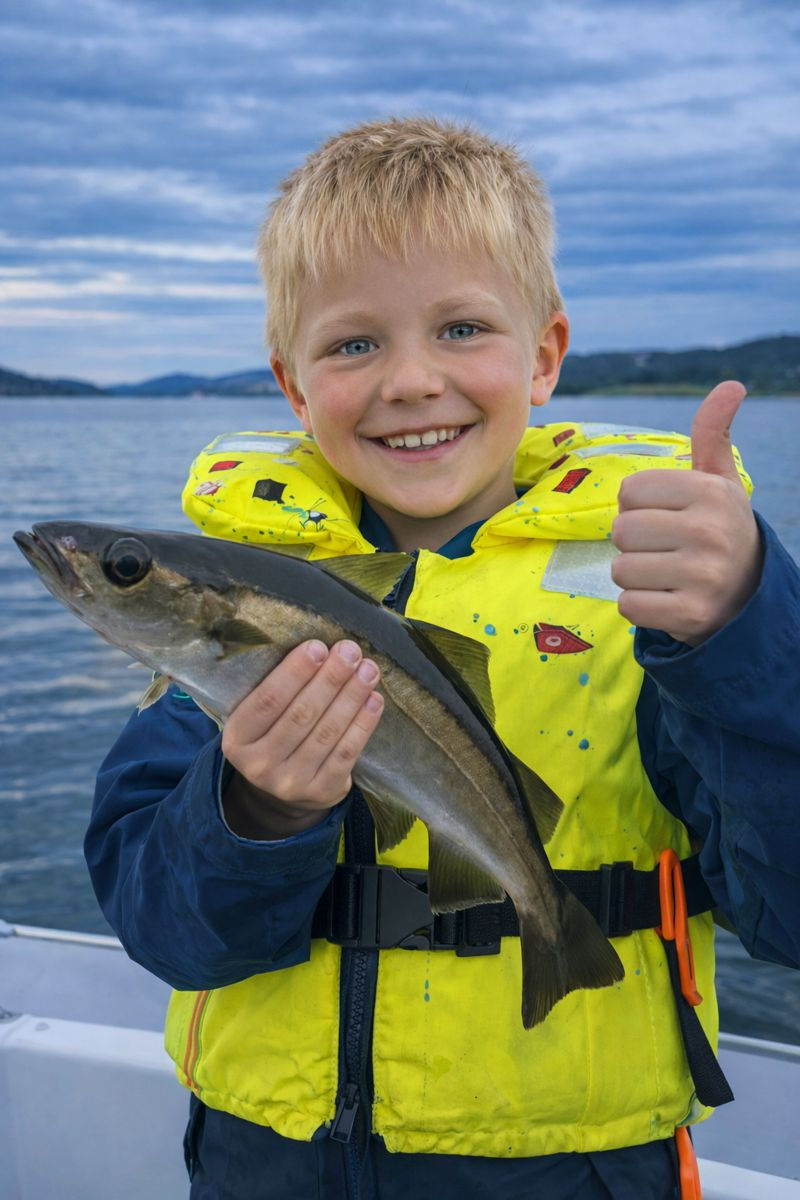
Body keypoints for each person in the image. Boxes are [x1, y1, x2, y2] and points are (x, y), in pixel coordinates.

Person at [86, 117, 800, 1200]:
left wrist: (744, 631)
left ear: (545, 354)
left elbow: (785, 915)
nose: (412, 381)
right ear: (291, 385)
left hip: (575, 1172)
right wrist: (254, 810)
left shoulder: (654, 612)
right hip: (265, 1167)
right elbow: (170, 932)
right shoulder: (235, 620)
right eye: (353, 344)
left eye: (461, 328)